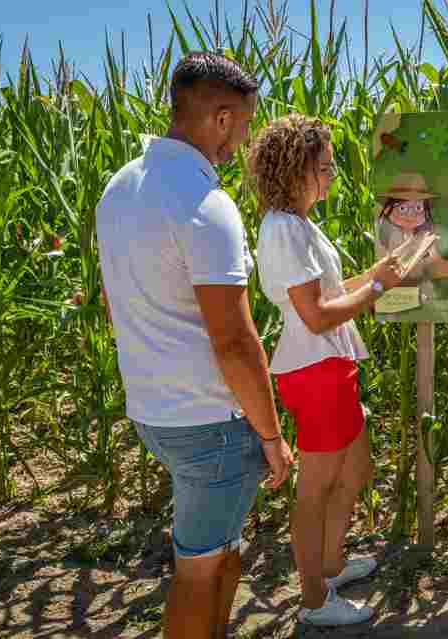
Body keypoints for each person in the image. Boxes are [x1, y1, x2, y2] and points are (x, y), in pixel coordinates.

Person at [95, 52, 294, 639]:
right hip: (210, 422)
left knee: (221, 548)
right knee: (197, 570)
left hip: (154, 413)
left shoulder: (121, 187)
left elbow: (115, 302)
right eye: (246, 123)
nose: (244, 139)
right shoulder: (207, 207)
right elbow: (234, 342)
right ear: (224, 118)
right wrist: (272, 435)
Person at [249, 114, 403, 626]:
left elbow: (328, 294)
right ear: (296, 170)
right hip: (315, 369)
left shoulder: (298, 225)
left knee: (356, 467)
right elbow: (315, 316)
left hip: (330, 365)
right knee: (315, 487)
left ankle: (331, 564)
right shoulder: (284, 229)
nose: (332, 174)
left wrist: (377, 275)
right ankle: (315, 600)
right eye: (325, 167)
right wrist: (376, 289)